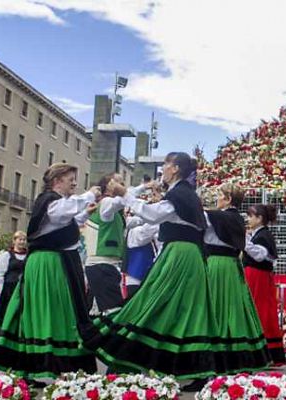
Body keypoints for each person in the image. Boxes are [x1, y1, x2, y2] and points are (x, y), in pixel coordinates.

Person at [84, 152, 221, 390]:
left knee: (154, 302)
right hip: (186, 254)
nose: (163, 170)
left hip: (180, 255)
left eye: (166, 165)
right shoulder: (185, 194)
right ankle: (190, 366)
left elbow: (153, 214)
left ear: (176, 168)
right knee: (184, 308)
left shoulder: (180, 194)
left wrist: (124, 193)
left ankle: (129, 356)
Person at [0, 163, 100, 382]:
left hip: (54, 262)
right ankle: (41, 363)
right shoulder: (49, 201)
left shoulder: (54, 204)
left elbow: (62, 224)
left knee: (57, 310)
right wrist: (89, 195)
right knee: (46, 310)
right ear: (57, 180)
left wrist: (83, 213)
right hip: (47, 264)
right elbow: (63, 212)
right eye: (70, 178)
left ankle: (56, 365)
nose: (74, 183)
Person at [205, 183, 271, 371]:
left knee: (216, 308)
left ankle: (216, 358)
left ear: (228, 199)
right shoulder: (238, 220)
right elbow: (253, 251)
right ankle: (239, 357)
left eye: (220, 194)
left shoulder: (216, 217)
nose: (216, 198)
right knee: (234, 309)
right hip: (233, 266)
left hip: (217, 265)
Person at [243, 204, 286, 366]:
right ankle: (265, 353)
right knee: (261, 312)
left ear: (259, 219)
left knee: (261, 312)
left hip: (258, 277)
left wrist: (245, 240)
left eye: (251, 216)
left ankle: (263, 353)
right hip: (256, 276)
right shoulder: (259, 234)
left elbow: (261, 256)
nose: (248, 219)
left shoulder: (263, 236)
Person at [83, 173, 128, 315]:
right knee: (112, 311)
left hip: (106, 265)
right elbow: (121, 201)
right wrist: (141, 188)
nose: (122, 187)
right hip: (101, 265)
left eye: (122, 183)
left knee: (101, 311)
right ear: (108, 186)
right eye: (118, 183)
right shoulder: (106, 203)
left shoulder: (115, 214)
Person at [0, 231, 27, 325]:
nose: (22, 242)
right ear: (14, 241)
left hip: (23, 289)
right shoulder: (6, 255)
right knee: (5, 313)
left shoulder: (28, 256)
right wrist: (1, 290)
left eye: (24, 240)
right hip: (8, 289)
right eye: (20, 239)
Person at [123, 213, 159, 299]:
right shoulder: (135, 231)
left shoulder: (132, 229)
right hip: (136, 275)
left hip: (136, 273)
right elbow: (144, 234)